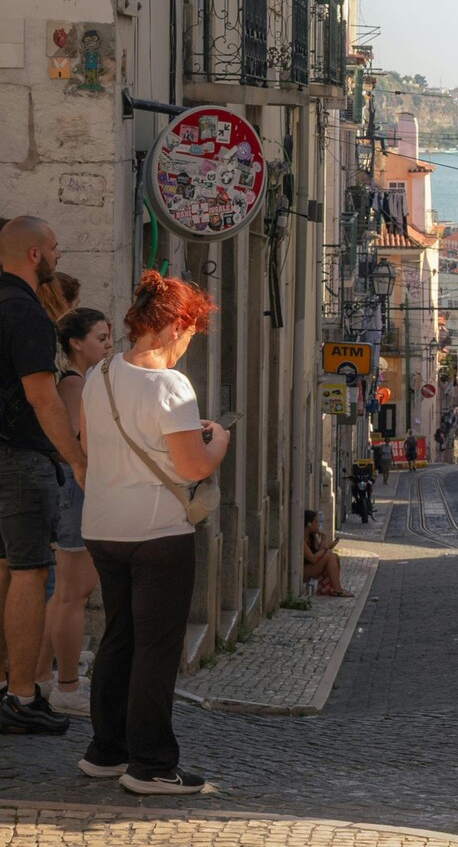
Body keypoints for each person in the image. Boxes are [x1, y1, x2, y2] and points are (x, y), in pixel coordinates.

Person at [78, 269, 229, 794]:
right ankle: (152, 764)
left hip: (102, 524)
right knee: (156, 647)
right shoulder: (169, 383)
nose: (187, 346)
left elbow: (93, 449)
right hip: (157, 532)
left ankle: (106, 751)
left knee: (118, 637)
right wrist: (221, 441)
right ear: (172, 328)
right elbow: (193, 467)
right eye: (189, 334)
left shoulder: (98, 374)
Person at [0, 217, 85, 736]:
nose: (59, 255)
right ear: (34, 255)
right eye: (55, 248)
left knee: (5, 570)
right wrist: (74, 455)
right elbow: (41, 395)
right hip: (20, 456)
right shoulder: (25, 311)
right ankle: (23, 694)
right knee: (30, 572)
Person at [35, 307, 113, 717]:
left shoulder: (83, 382)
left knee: (67, 594)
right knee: (72, 595)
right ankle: (65, 685)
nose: (109, 344)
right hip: (76, 489)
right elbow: (74, 445)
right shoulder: (75, 385)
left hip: (77, 488)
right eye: (101, 338)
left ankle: (44, 679)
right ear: (76, 343)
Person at [301, 510, 351, 597]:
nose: (318, 524)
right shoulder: (303, 541)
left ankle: (333, 587)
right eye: (316, 522)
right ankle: (337, 589)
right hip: (304, 570)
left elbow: (319, 550)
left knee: (333, 555)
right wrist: (327, 547)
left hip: (313, 566)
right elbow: (313, 558)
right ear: (309, 524)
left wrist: (323, 537)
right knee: (329, 556)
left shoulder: (312, 536)